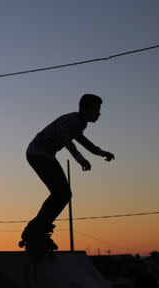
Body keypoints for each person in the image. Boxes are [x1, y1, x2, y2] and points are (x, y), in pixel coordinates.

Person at [20, 94, 115, 254]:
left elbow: (83, 141)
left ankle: (37, 230)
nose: (99, 114)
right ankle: (35, 231)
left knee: (62, 194)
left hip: (44, 154)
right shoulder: (73, 120)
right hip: (38, 153)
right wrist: (80, 159)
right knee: (62, 193)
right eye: (96, 110)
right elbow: (65, 138)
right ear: (85, 109)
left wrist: (102, 153)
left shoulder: (80, 124)